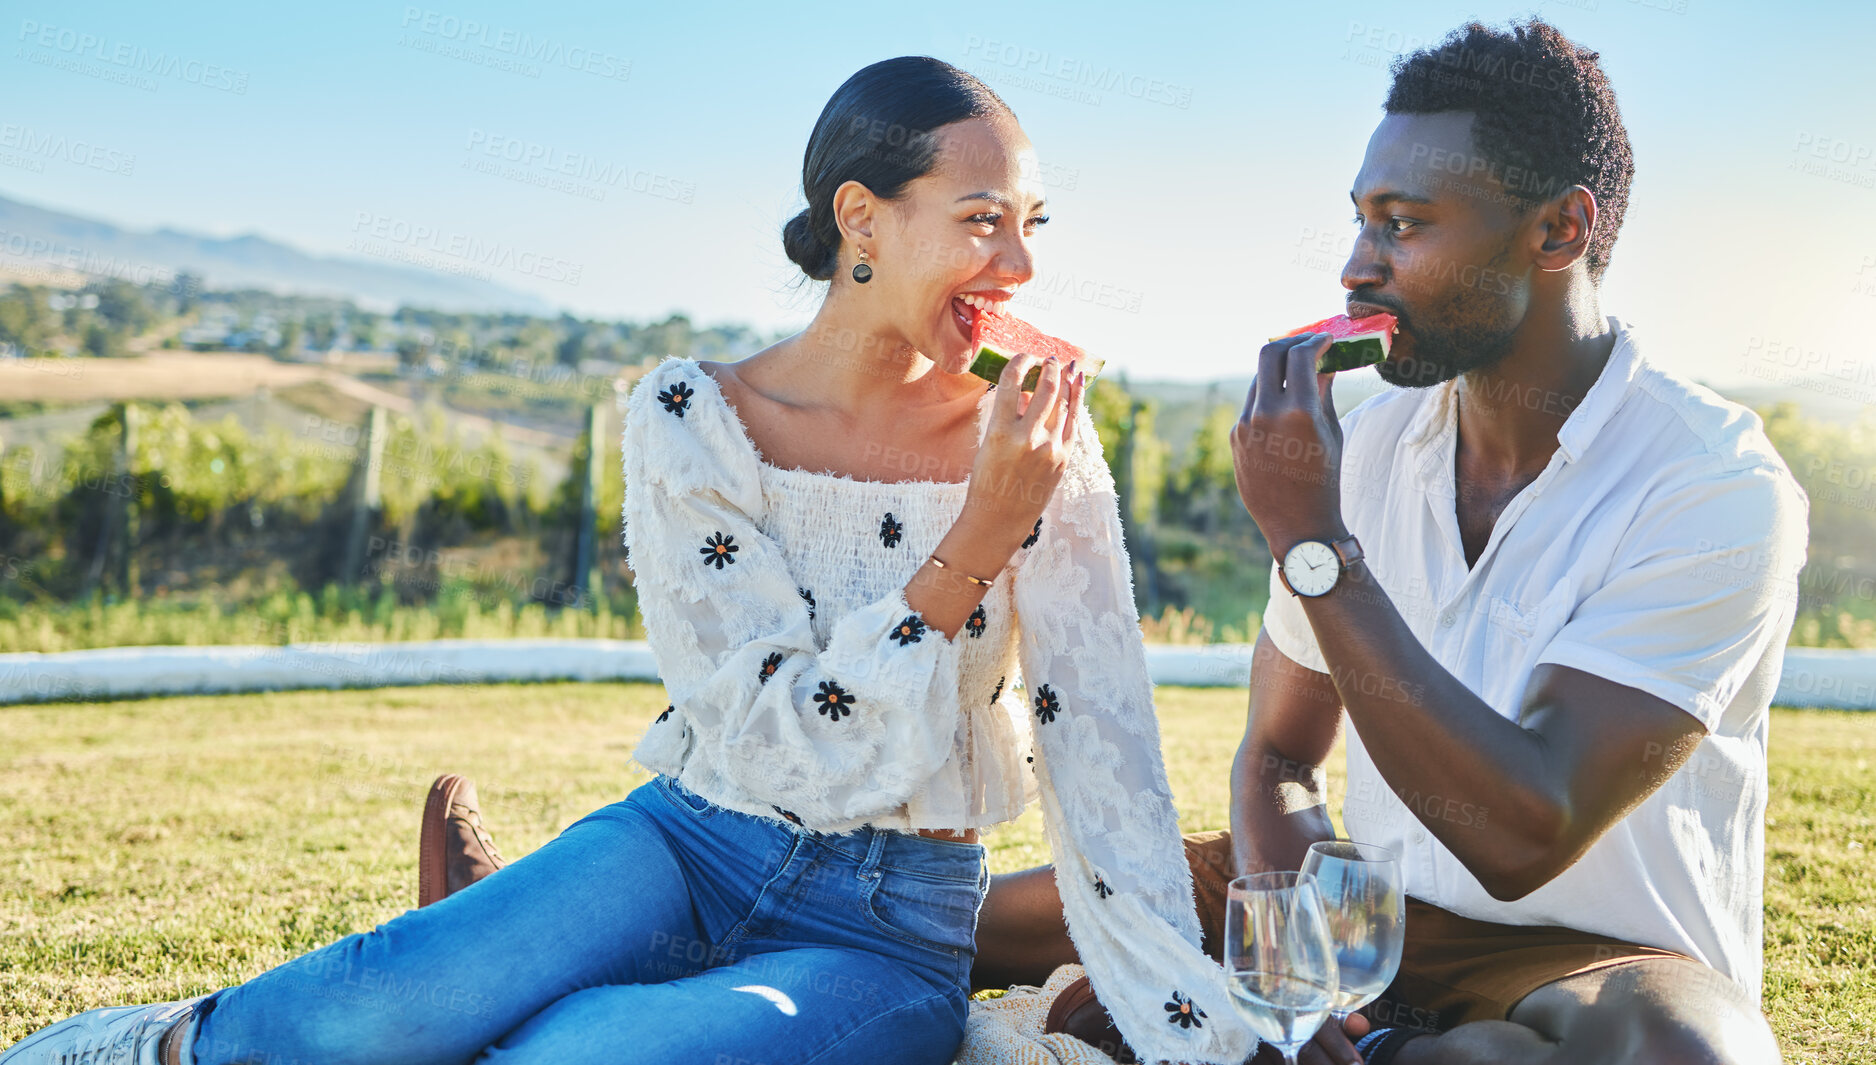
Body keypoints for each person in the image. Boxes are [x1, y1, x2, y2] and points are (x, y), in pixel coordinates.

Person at [0, 57, 1255, 1065]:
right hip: (688, 841)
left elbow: (1098, 739)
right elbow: (770, 737)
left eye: (1030, 227)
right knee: (355, 1021)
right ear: (860, 220)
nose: (1020, 268)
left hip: (896, 922)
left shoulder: (1035, 441)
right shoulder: (691, 417)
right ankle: (140, 1050)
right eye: (981, 223)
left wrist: (1196, 1006)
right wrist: (974, 542)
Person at [973, 18, 1801, 1065]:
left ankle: (1235, 1030)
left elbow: (1523, 832)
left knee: (1687, 1054)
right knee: (948, 925)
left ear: (1558, 231)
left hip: (1591, 955)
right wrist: (1298, 955)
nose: (1357, 269)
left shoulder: (1712, 485)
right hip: (1361, 907)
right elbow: (1279, 756)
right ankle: (1258, 1019)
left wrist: (1312, 539)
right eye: (1361, 223)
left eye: (1402, 226)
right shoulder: (1364, 446)